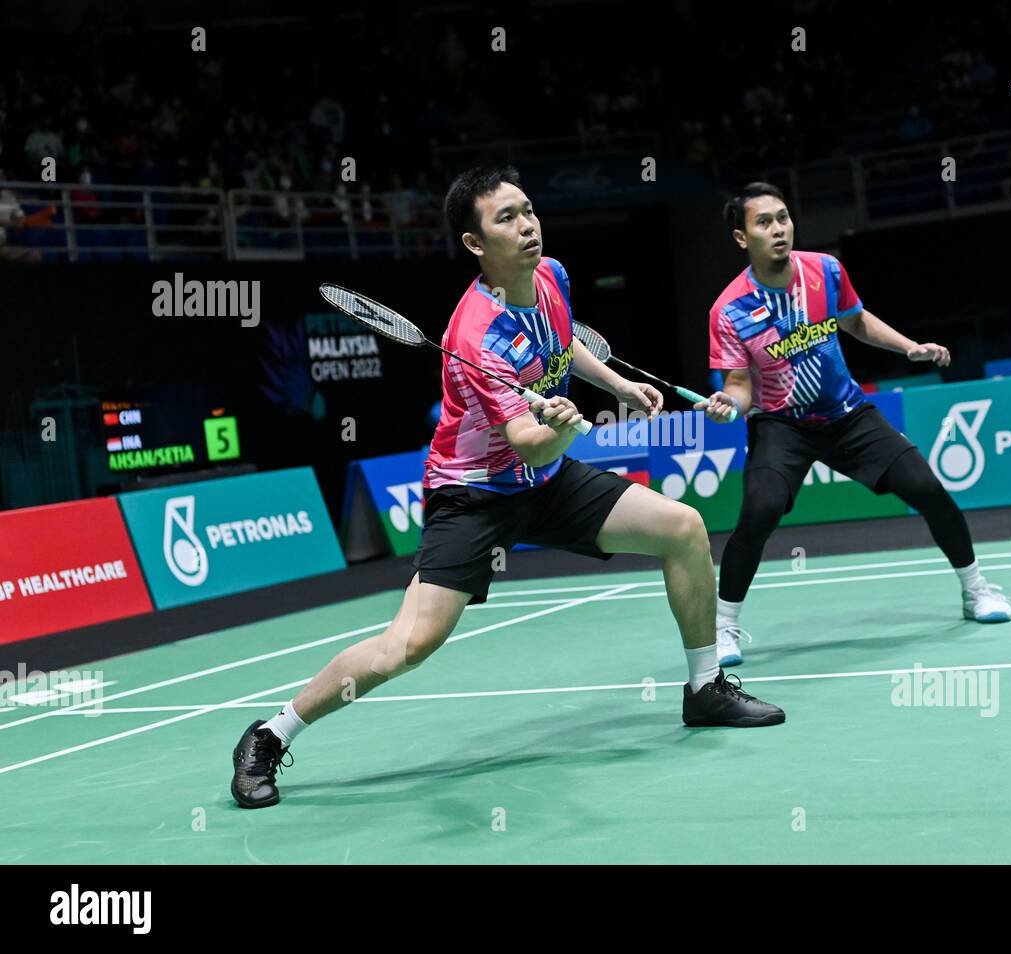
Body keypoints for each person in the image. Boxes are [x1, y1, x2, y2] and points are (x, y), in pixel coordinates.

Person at [230, 167, 784, 809]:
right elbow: (525, 441)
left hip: (544, 480)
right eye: (506, 218)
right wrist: (565, 431)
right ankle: (268, 735)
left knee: (683, 528)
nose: (527, 226)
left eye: (528, 210)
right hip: (474, 495)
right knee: (407, 646)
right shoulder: (477, 333)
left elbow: (563, 341)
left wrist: (616, 387)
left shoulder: (550, 276)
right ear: (474, 243)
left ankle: (705, 687)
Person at [697, 182, 1011, 667]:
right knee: (759, 510)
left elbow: (856, 320)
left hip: (846, 413)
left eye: (783, 217)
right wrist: (729, 406)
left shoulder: (824, 269)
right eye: (764, 222)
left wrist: (908, 347)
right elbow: (740, 385)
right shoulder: (730, 309)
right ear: (742, 238)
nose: (778, 229)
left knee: (926, 487)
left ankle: (976, 590)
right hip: (782, 425)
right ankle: (723, 627)